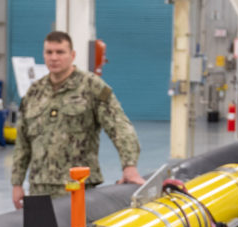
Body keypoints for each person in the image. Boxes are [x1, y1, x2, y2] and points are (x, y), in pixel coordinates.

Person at [11, 30, 144, 209]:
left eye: (60, 52)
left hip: (79, 188)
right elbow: (22, 142)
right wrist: (17, 183)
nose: (54, 58)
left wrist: (129, 166)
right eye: (49, 52)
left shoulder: (91, 87)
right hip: (40, 187)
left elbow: (119, 126)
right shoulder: (34, 92)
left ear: (72, 55)